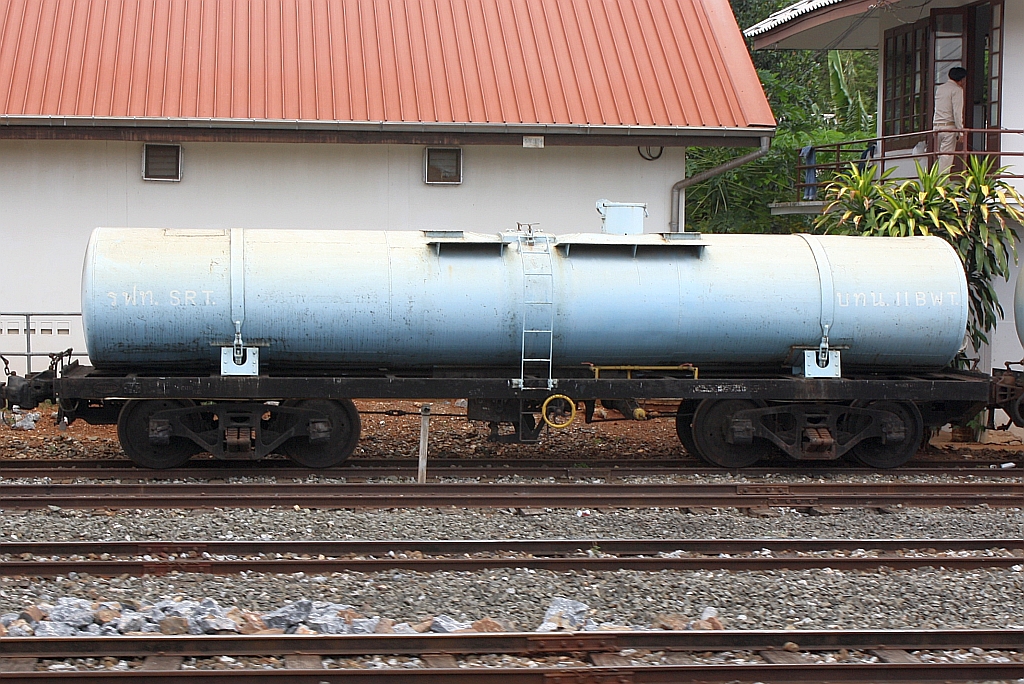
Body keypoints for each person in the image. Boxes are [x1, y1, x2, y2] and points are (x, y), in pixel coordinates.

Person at [933, 66, 967, 173]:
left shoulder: (940, 89)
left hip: (937, 126)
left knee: (939, 157)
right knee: (946, 158)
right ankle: (941, 186)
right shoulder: (957, 90)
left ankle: (935, 181)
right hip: (949, 127)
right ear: (961, 79)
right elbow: (957, 112)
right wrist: (961, 131)